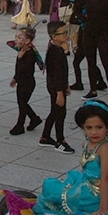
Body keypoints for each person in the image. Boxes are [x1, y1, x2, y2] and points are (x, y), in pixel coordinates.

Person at [34, 101, 108, 215]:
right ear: (83, 127)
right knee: (49, 183)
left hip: (94, 197)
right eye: (89, 127)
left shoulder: (105, 148)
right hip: (85, 185)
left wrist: (103, 209)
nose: (94, 132)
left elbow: (107, 178)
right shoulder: (86, 143)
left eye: (99, 127)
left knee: (53, 190)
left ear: (107, 127)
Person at [76, 0, 108, 105]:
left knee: (107, 62)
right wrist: (83, 20)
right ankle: (93, 90)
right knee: (91, 62)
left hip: (103, 32)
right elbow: (77, 8)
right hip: (89, 32)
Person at [39, 21, 74, 153]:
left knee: (54, 111)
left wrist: (66, 85)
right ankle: (60, 141)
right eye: (63, 33)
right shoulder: (55, 53)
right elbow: (56, 74)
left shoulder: (57, 49)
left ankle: (45, 136)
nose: (67, 35)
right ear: (54, 37)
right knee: (60, 113)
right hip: (56, 88)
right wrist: (60, 92)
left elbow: (62, 72)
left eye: (67, 32)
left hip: (58, 86)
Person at [8, 26, 43, 135]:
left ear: (27, 41)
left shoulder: (29, 53)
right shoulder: (22, 51)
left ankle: (20, 125)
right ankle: (34, 118)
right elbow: (18, 70)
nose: (16, 40)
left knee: (22, 104)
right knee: (22, 103)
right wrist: (15, 78)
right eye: (16, 37)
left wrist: (20, 58)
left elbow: (25, 69)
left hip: (27, 83)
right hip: (22, 82)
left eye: (19, 37)